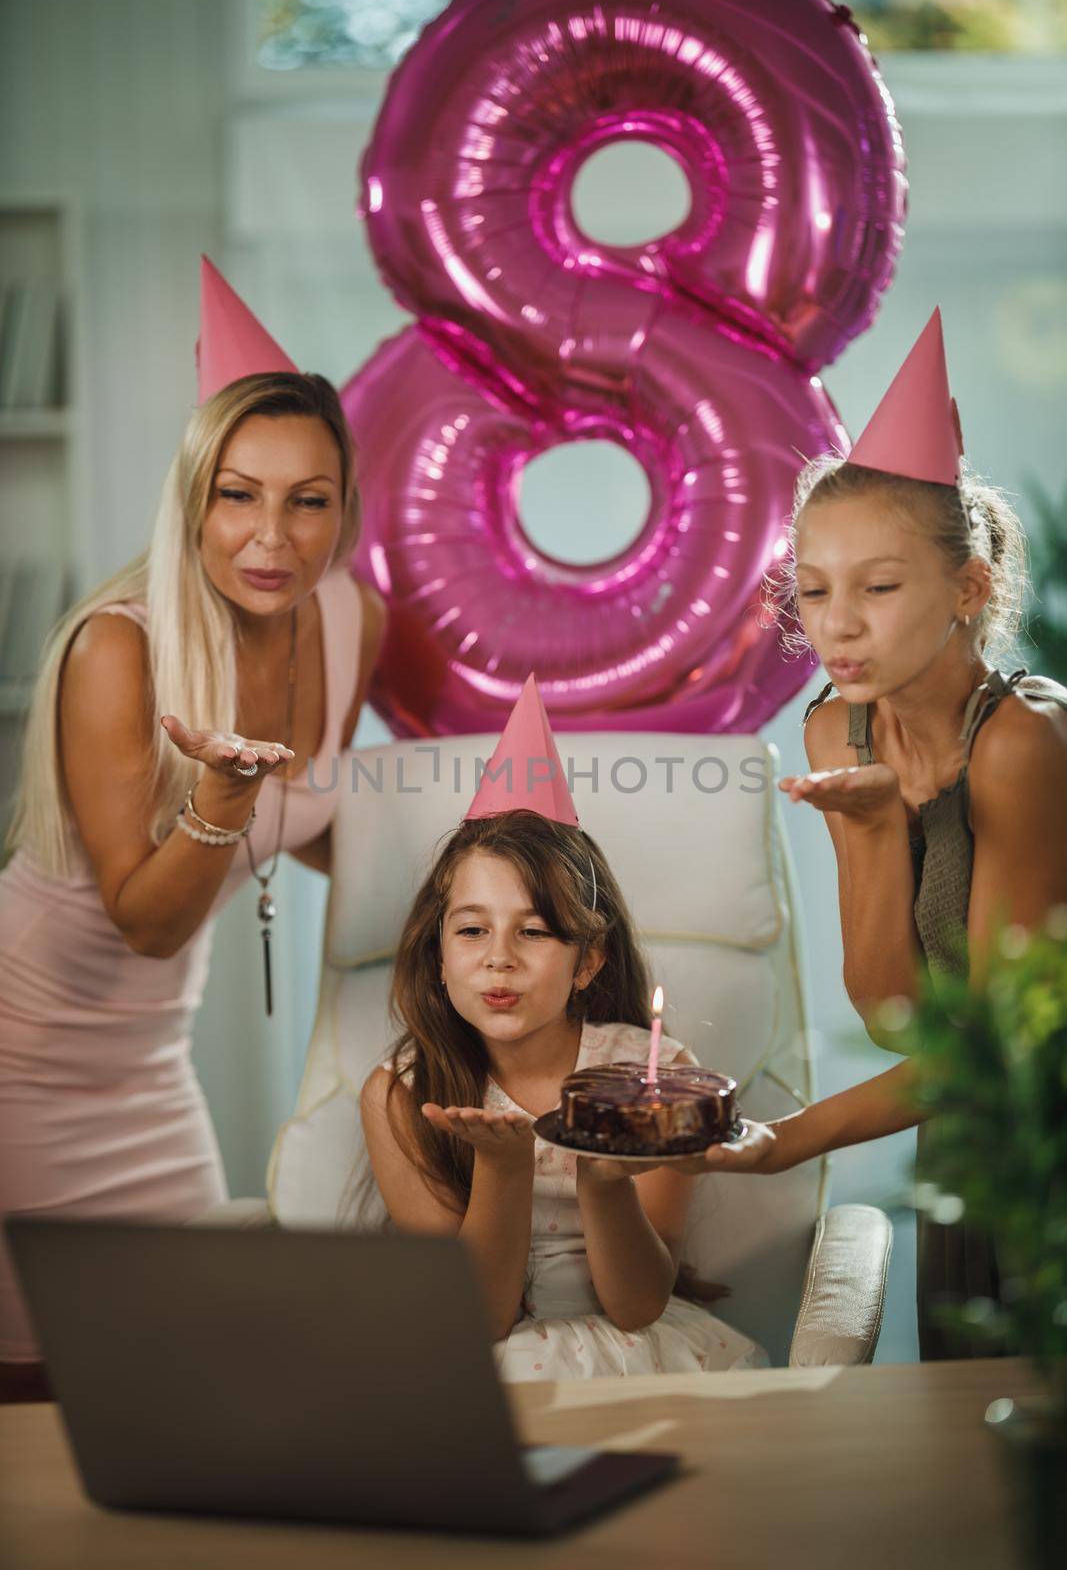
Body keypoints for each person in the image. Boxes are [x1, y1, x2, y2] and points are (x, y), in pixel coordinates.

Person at [0, 260, 386, 1398]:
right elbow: (147, 921)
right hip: (23, 1054)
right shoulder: (117, 648)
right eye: (238, 494)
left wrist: (463, 852)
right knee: (33, 1400)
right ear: (192, 503)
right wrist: (218, 802)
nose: (271, 537)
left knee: (167, 1375)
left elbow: (307, 827)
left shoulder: (351, 619)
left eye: (306, 500)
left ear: (341, 509)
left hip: (148, 1064)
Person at [692, 310, 1067, 1359]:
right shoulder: (834, 723)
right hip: (978, 1136)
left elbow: (987, 1052)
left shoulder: (1020, 745)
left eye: (877, 587)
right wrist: (868, 834)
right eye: (812, 591)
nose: (836, 624)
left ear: (968, 588)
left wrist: (786, 1145)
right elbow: (906, 1023)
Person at [359, 677, 763, 1380]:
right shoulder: (402, 1093)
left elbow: (638, 1306)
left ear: (587, 962)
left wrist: (603, 1183)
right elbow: (479, 1317)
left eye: (535, 931)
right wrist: (503, 1166)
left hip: (640, 1351)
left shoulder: (652, 1077)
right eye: (472, 929)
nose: (499, 958)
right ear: (438, 954)